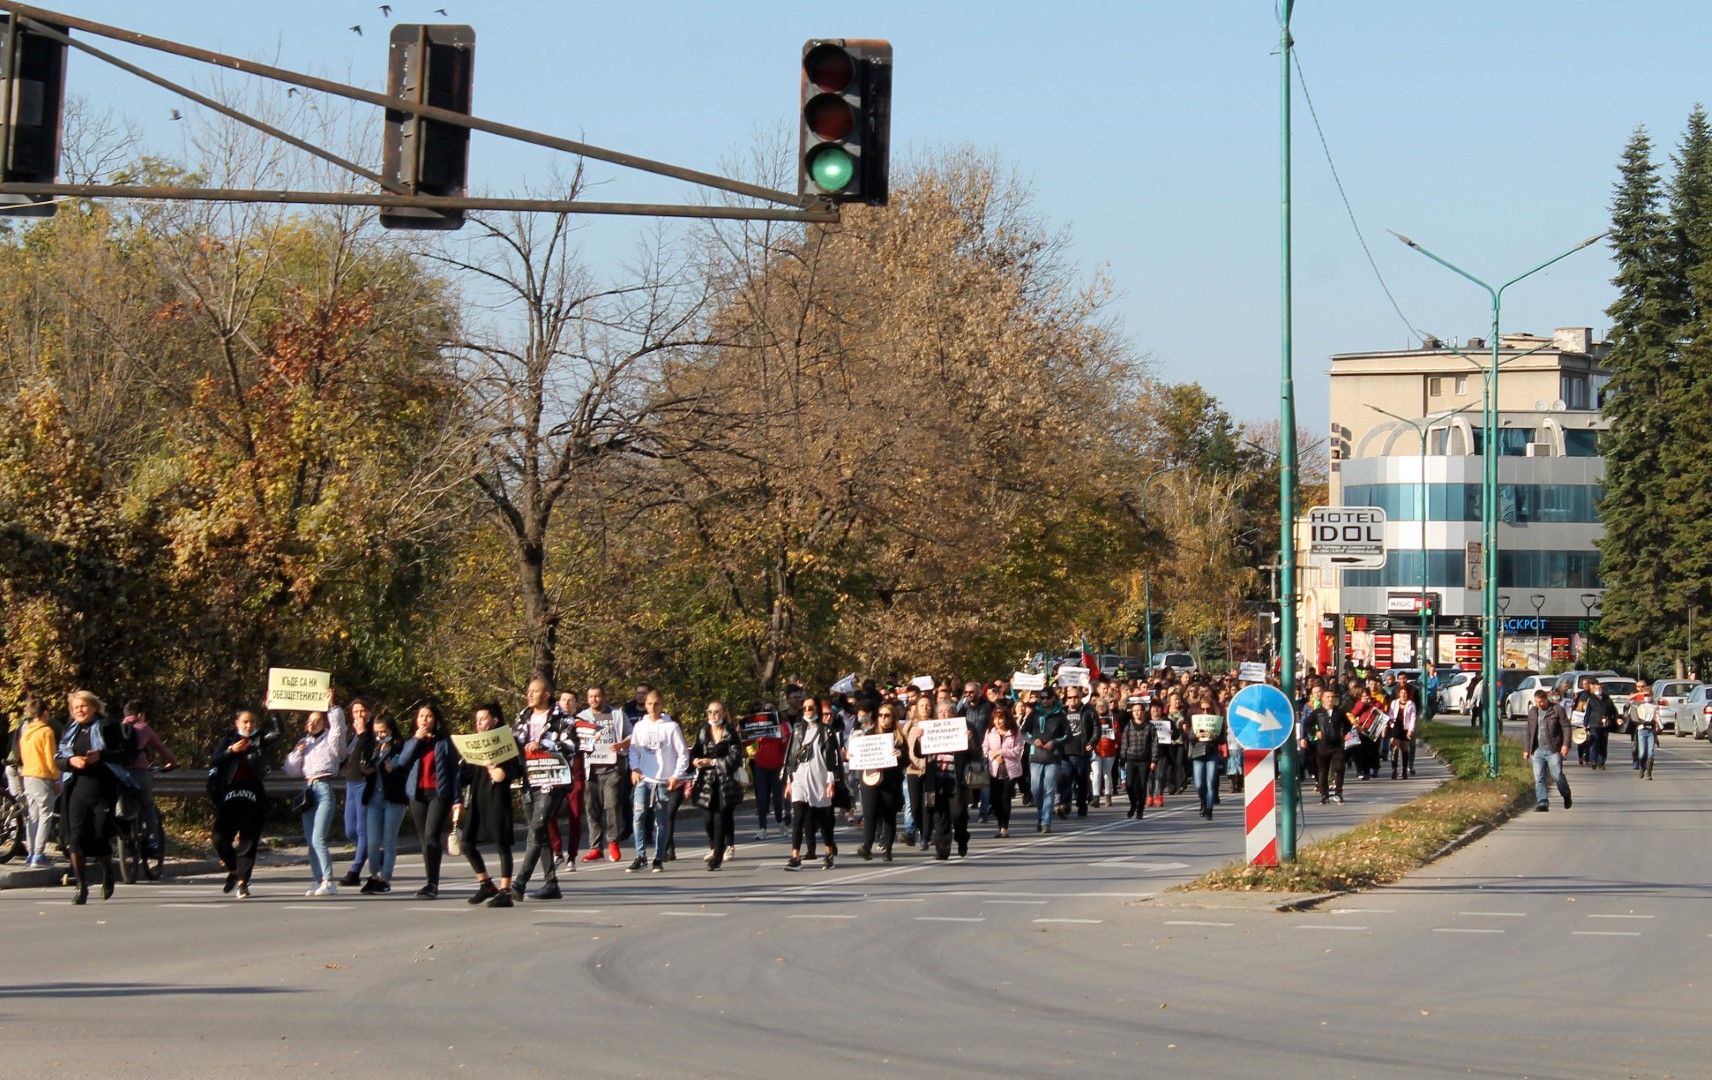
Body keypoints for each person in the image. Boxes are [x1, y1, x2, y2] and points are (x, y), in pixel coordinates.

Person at [55, 691, 130, 904]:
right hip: (76, 791)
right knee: (75, 839)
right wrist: (71, 762)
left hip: (103, 791)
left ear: (94, 707)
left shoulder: (108, 726)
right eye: (75, 707)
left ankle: (108, 872)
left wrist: (102, 756)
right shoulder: (70, 731)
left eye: (84, 706)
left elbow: (124, 754)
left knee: (99, 837)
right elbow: (58, 759)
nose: (79, 710)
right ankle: (81, 886)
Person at [510, 676, 578, 900]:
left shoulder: (562, 718)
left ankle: (519, 883)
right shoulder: (523, 716)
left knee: (536, 828)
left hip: (552, 779)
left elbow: (571, 745)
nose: (529, 695)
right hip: (529, 779)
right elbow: (513, 743)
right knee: (540, 832)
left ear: (547, 694)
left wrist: (544, 744)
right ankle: (551, 884)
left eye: (534, 691)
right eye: (528, 691)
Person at [454, 703, 524, 907]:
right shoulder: (476, 743)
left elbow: (511, 771)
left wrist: (496, 768)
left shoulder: (506, 742)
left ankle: (505, 891)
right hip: (477, 799)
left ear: (495, 720)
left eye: (483, 719)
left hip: (497, 799)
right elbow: (465, 776)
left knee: (502, 844)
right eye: (477, 720)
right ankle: (486, 883)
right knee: (466, 843)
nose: (479, 723)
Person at [209, 708, 280, 899]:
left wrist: (273, 710)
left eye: (252, 722)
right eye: (245, 722)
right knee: (219, 838)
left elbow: (278, 733)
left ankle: (243, 882)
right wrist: (231, 751)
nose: (249, 726)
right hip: (230, 792)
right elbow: (215, 760)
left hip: (253, 792)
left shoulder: (259, 739)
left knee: (249, 839)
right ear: (237, 723)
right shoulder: (228, 739)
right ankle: (233, 869)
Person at [283, 703, 350, 896]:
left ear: (324, 723)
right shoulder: (305, 741)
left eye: (316, 721)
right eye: (309, 721)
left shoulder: (330, 739)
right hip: (308, 790)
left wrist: (332, 709)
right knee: (310, 840)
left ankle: (329, 880)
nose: (311, 724)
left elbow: (338, 732)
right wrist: (297, 752)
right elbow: (291, 769)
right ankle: (317, 878)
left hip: (323, 788)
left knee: (318, 838)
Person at [396, 703, 459, 899]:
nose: (425, 719)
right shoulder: (412, 741)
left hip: (439, 794)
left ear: (436, 719)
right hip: (417, 795)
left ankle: (433, 883)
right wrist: (417, 739)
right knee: (424, 839)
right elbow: (402, 761)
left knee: (432, 836)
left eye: (429, 716)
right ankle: (429, 880)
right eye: (421, 716)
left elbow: (454, 771)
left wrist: (457, 799)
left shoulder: (444, 742)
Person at [627, 689, 690, 873]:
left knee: (660, 821)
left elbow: (683, 753)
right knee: (638, 816)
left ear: (662, 705)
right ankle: (640, 856)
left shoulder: (671, 727)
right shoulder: (640, 726)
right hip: (644, 779)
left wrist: (676, 775)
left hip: (663, 781)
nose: (652, 707)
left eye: (656, 704)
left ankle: (658, 858)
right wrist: (635, 768)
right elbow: (634, 749)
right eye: (649, 704)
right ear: (645, 705)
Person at [783, 694, 841, 870]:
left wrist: (831, 782)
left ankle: (829, 853)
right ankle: (795, 857)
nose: (807, 711)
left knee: (824, 820)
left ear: (817, 709)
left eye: (811, 708)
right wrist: (788, 781)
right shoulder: (798, 729)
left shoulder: (826, 731)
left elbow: (832, 759)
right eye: (805, 708)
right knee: (798, 816)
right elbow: (791, 757)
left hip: (819, 779)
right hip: (800, 778)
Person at [576, 685, 631, 863]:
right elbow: (576, 742)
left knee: (612, 804)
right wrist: (589, 741)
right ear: (587, 699)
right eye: (591, 696)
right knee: (591, 808)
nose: (594, 700)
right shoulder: (582, 718)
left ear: (604, 697)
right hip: (591, 769)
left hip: (613, 767)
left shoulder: (617, 714)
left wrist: (622, 744)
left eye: (597, 696)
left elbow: (632, 735)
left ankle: (613, 841)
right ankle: (595, 847)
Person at [360, 711, 411, 895]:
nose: (380, 735)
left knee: (389, 840)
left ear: (391, 729)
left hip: (394, 799)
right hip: (374, 798)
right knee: (373, 841)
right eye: (377, 732)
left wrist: (394, 770)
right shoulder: (374, 747)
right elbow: (365, 764)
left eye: (383, 731)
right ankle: (373, 875)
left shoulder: (400, 748)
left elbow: (407, 773)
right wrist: (366, 770)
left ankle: (385, 878)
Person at [690, 702, 745, 870]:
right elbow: (696, 751)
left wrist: (713, 761)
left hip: (725, 781)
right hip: (706, 780)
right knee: (707, 819)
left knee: (720, 817)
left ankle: (717, 857)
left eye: (716, 712)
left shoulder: (730, 732)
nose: (713, 715)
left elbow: (736, 757)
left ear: (723, 713)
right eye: (710, 712)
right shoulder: (703, 731)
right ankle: (715, 846)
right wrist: (695, 760)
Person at [119, 701, 177, 861]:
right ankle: (152, 843)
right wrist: (172, 763)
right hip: (139, 774)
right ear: (140, 715)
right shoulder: (143, 728)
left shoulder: (114, 729)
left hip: (117, 775)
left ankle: (122, 839)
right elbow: (161, 748)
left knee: (121, 808)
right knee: (147, 805)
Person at [13, 698, 60, 867]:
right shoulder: (46, 732)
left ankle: (31, 852)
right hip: (42, 776)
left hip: (28, 775)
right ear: (45, 713)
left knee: (32, 816)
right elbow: (50, 758)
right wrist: (56, 778)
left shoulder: (26, 732)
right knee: (45, 815)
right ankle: (39, 854)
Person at [857, 702, 906, 858]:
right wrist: (851, 756)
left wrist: (900, 755)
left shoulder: (898, 737)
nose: (883, 718)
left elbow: (907, 761)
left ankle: (887, 848)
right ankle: (867, 846)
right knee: (869, 813)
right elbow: (861, 755)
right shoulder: (870, 734)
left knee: (888, 815)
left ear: (893, 718)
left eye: (887, 715)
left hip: (890, 781)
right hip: (871, 780)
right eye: (881, 715)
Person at [337, 697, 375, 887]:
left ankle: (354, 871)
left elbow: (368, 756)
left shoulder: (372, 732)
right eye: (355, 712)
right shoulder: (354, 733)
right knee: (350, 830)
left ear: (369, 712)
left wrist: (362, 735)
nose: (359, 715)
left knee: (361, 830)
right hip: (351, 782)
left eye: (362, 711)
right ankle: (377, 854)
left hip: (364, 782)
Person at [1022, 687, 1067, 834]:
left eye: (1048, 698)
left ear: (1053, 698)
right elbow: (1024, 732)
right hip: (1036, 756)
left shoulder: (1060, 715)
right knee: (1036, 789)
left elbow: (1068, 735)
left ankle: (1046, 821)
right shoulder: (1035, 713)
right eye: (1042, 698)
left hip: (1053, 757)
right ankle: (1041, 815)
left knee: (1049, 789)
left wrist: (1055, 742)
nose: (1045, 700)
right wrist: (1033, 740)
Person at [548, 688, 585, 864]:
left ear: (576, 705)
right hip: (555, 773)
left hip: (575, 774)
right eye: (564, 700)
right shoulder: (551, 724)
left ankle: (572, 855)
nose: (567, 703)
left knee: (575, 816)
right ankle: (557, 850)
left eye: (571, 700)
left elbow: (588, 746)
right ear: (558, 703)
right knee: (548, 813)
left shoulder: (582, 725)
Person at [1522, 689, 1573, 812]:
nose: (1539, 704)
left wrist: (1565, 745)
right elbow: (1529, 731)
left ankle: (1566, 794)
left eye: (1541, 701)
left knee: (1557, 775)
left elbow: (1566, 728)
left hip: (1553, 749)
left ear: (1546, 699)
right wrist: (1527, 749)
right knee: (1539, 777)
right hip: (1537, 750)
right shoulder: (1533, 712)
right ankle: (1542, 802)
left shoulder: (1557, 710)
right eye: (1537, 702)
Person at [1300, 687, 1350, 805]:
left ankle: (1338, 793)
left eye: (1332, 697)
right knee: (1322, 771)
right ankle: (1324, 794)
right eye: (1327, 697)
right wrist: (1314, 732)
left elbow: (1348, 724)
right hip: (1323, 746)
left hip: (1337, 745)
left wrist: (1344, 733)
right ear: (1323, 699)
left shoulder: (1339, 711)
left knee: (1339, 767)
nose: (1330, 699)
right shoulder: (1318, 712)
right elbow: (1306, 724)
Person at [983, 702, 1025, 838]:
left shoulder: (1014, 732)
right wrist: (993, 755)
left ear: (1006, 718)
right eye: (995, 718)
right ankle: (999, 824)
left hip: (1010, 770)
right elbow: (985, 748)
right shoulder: (990, 731)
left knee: (1005, 798)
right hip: (994, 769)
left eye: (1001, 718)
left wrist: (1002, 752)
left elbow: (1018, 750)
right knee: (995, 799)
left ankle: (1004, 827)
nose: (998, 721)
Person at [749, 709, 789, 841]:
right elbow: (747, 739)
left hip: (776, 767)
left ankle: (780, 823)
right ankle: (762, 828)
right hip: (760, 766)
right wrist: (742, 731)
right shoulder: (760, 726)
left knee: (777, 799)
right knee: (761, 799)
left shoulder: (782, 726)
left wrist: (784, 737)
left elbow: (788, 741)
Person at [1057, 685, 1096, 818]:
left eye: (1076, 697)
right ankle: (1064, 805)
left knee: (1082, 781)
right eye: (1070, 697)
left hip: (1082, 752)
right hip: (1065, 753)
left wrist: (1092, 742)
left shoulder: (1088, 711)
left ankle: (1082, 804)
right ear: (1066, 698)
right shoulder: (1061, 712)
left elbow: (1097, 729)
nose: (1073, 700)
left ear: (1081, 697)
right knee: (1065, 780)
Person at [1118, 696, 1157, 820]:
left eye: (1139, 710)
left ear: (1144, 711)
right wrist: (1122, 757)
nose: (1137, 713)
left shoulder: (1150, 727)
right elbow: (1124, 743)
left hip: (1144, 760)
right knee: (1129, 785)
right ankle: (1133, 804)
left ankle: (1140, 809)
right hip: (1131, 759)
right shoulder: (1128, 727)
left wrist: (1154, 760)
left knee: (1141, 786)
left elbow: (1154, 744)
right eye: (1134, 711)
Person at [1185, 710, 1225, 819]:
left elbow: (1222, 739)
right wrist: (1196, 735)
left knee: (1210, 783)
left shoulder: (1216, 721)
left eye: (1208, 708)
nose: (1206, 711)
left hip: (1212, 753)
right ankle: (1203, 801)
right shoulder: (1196, 720)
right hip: (1198, 753)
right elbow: (1190, 737)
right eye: (1203, 709)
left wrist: (1212, 735)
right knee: (1198, 785)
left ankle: (1209, 809)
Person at [1387, 684, 1418, 780]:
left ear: (1407, 694)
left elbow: (1413, 718)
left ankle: (1404, 770)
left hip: (1405, 728)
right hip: (1395, 727)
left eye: (1405, 693)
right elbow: (1390, 714)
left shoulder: (1411, 704)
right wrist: (1391, 721)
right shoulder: (1394, 703)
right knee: (1394, 748)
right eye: (1401, 693)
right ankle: (1394, 770)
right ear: (1398, 694)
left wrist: (1410, 730)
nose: (1403, 694)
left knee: (1405, 749)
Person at [1629, 682, 1658, 780]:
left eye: (1649, 695)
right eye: (1646, 695)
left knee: (1651, 752)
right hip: (1641, 730)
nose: (1647, 697)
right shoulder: (1639, 703)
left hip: (1651, 731)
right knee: (1642, 753)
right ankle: (1642, 768)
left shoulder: (1654, 704)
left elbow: (1657, 716)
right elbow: (1629, 699)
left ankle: (1649, 773)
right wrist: (1640, 694)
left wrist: (1658, 726)